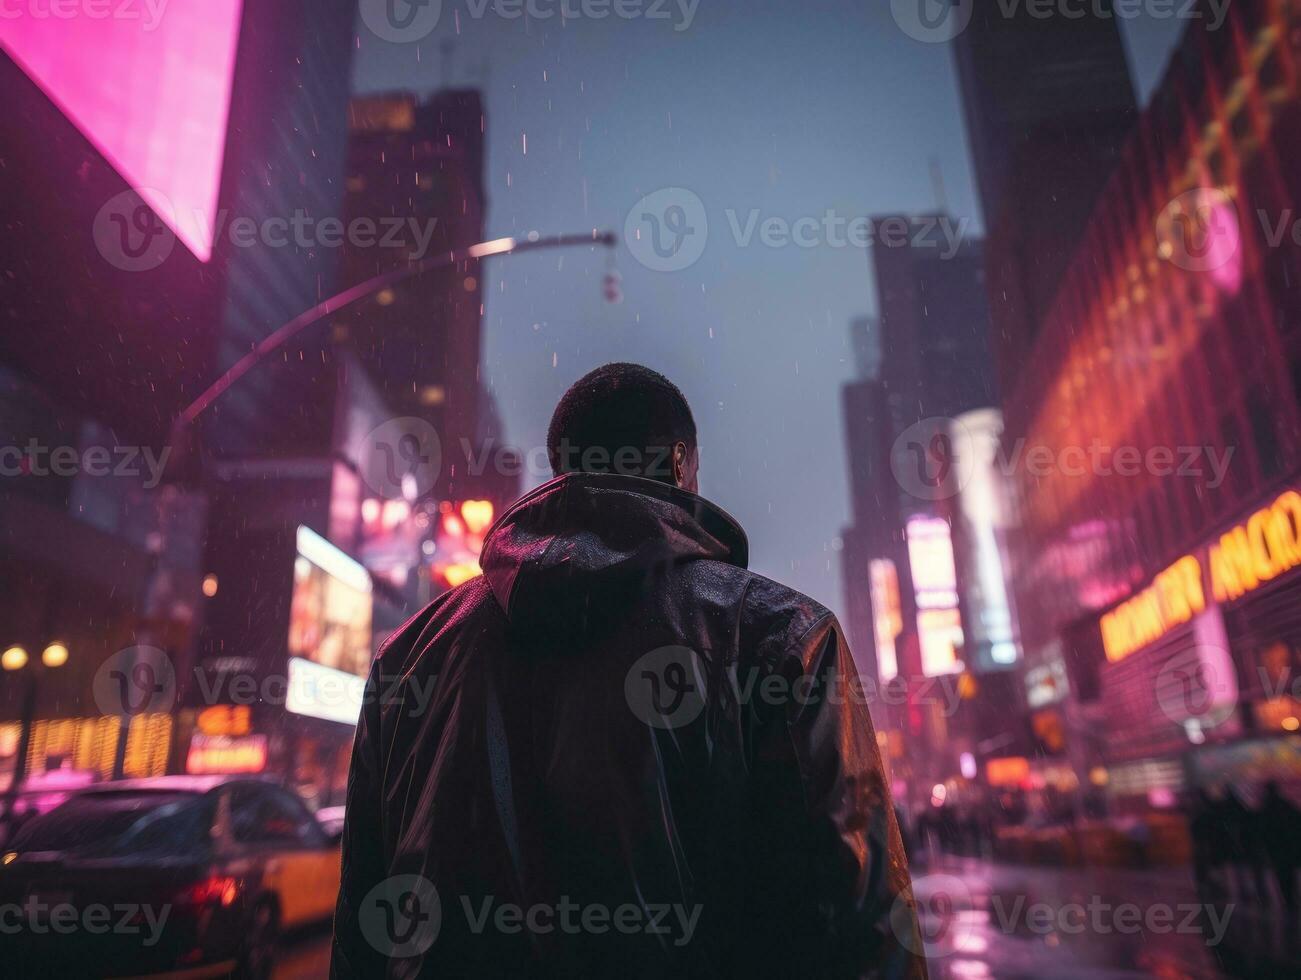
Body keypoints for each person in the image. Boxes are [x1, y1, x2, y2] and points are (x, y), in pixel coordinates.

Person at [331, 363, 925, 978]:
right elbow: (860, 922)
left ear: (561, 472)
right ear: (677, 466)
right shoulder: (783, 638)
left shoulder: (410, 655)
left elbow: (361, 934)